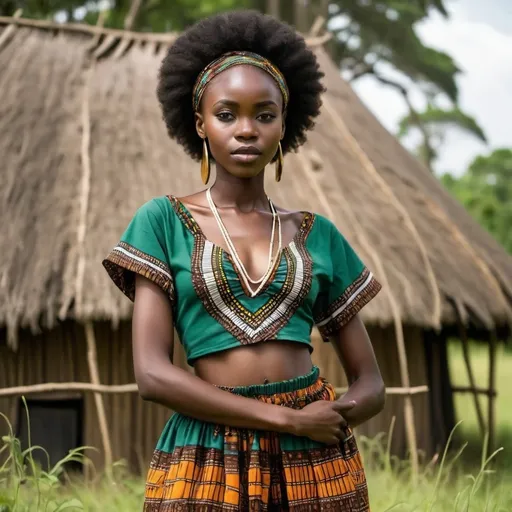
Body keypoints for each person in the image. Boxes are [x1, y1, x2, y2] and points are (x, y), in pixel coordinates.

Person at [103, 9, 385, 511]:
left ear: (284, 123)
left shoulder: (317, 234)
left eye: (265, 114)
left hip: (316, 465)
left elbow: (372, 382)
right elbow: (151, 374)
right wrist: (287, 420)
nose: (247, 129)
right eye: (227, 114)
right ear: (201, 124)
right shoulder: (161, 221)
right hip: (207, 457)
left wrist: (331, 417)